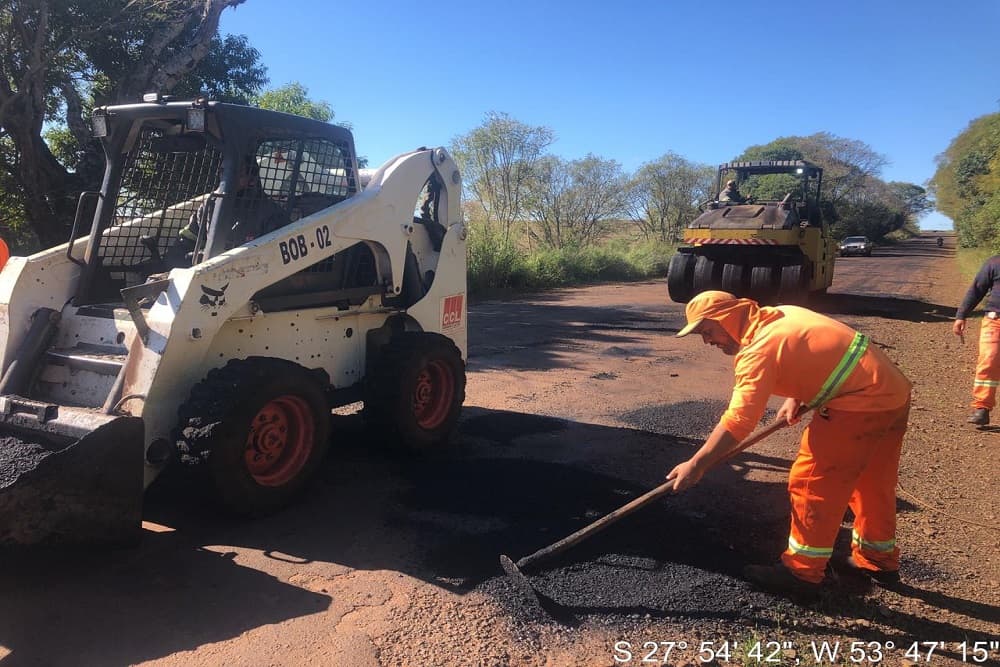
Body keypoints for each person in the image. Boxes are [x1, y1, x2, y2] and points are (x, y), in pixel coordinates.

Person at [668, 290, 912, 596]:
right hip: (892, 392)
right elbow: (816, 353)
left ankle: (803, 573)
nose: (708, 341)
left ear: (725, 318)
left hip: (860, 403)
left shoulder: (758, 350)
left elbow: (739, 420)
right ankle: (878, 561)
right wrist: (797, 395)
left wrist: (697, 464)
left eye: (707, 331)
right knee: (871, 482)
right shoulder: (781, 314)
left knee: (812, 482)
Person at [169, 156, 289, 267]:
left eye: (236, 173)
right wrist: (177, 262)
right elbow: (186, 241)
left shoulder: (271, 214)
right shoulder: (210, 206)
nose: (227, 177)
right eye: (223, 171)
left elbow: (272, 260)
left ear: (252, 179)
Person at [952, 255, 1000, 425]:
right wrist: (961, 316)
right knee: (988, 361)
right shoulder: (995, 263)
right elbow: (976, 289)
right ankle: (982, 408)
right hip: (995, 322)